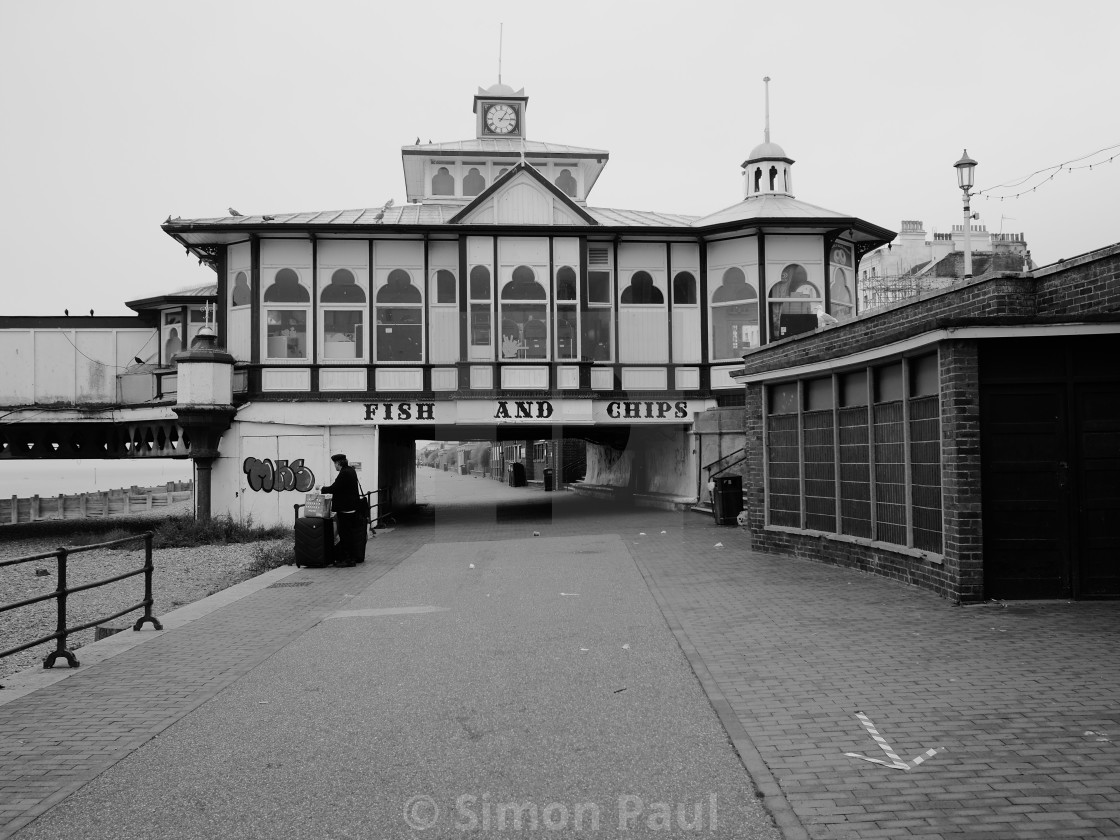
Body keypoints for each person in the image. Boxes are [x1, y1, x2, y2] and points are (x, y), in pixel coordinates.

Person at [319, 453, 366, 567]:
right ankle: (350, 557)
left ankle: (348, 560)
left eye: (334, 464)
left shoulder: (344, 473)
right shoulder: (350, 470)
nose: (334, 466)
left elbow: (335, 488)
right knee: (349, 534)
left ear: (338, 463)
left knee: (345, 535)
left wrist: (321, 488)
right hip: (352, 508)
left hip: (346, 510)